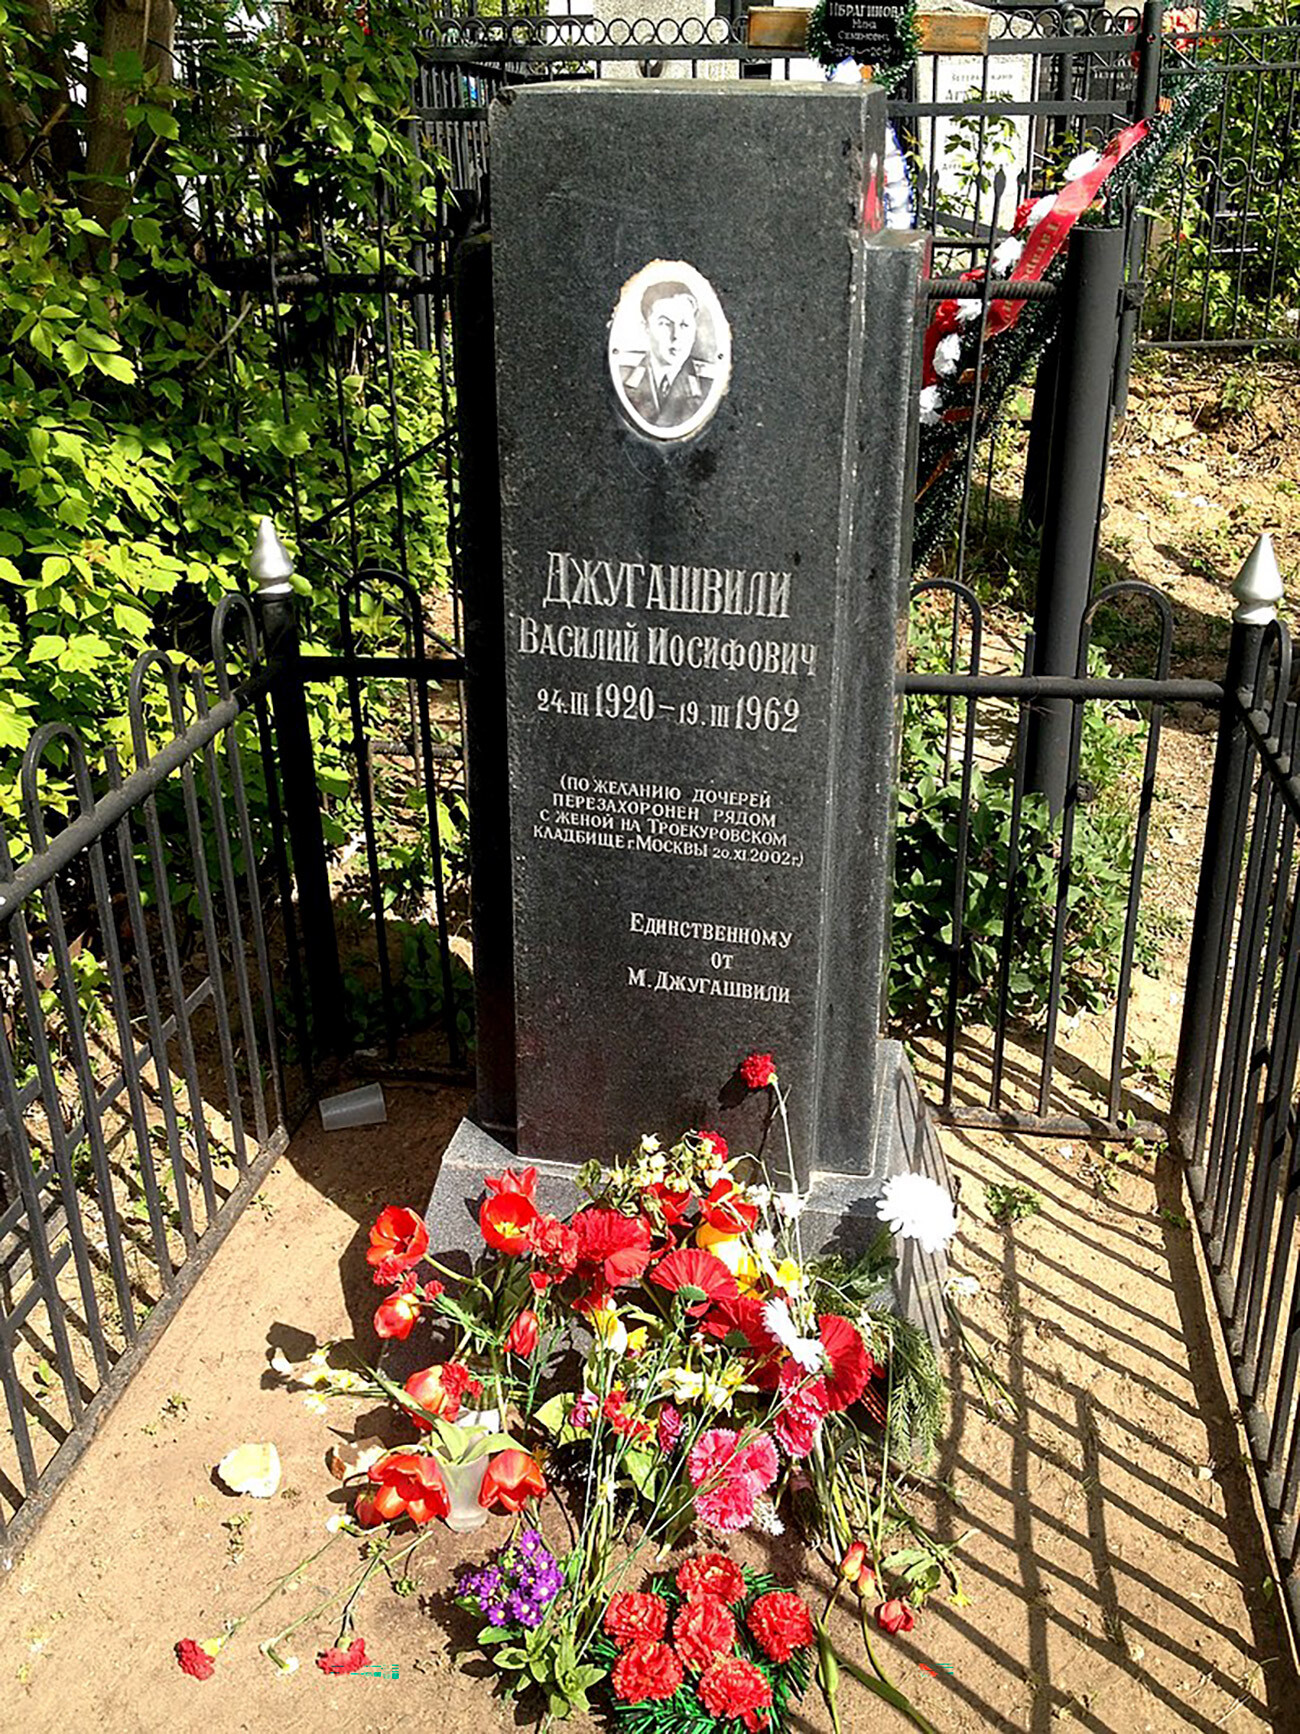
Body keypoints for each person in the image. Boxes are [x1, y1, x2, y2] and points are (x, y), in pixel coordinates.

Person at [617, 279, 719, 431]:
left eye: (684, 325)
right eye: (665, 324)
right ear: (646, 328)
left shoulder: (708, 383)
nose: (676, 335)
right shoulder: (623, 375)